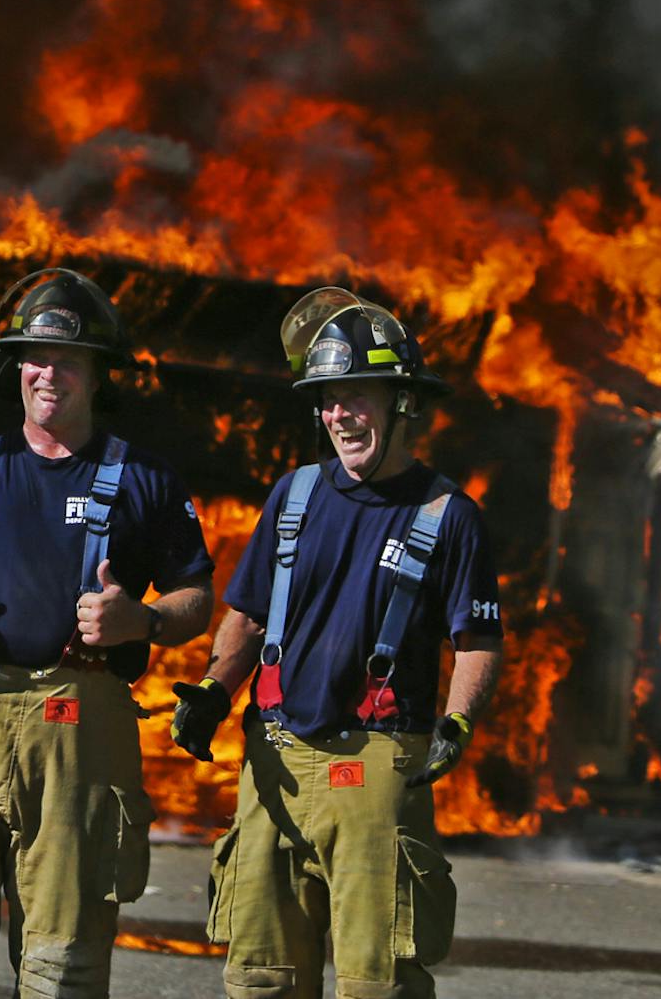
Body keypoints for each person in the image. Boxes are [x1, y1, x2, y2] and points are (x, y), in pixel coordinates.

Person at [0, 267, 215, 998]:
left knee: (62, 966)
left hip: (77, 724)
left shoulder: (143, 480)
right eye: (35, 357)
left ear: (99, 375)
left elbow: (198, 599)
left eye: (67, 360)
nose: (48, 373)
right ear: (15, 368)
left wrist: (144, 622)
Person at [171, 287, 506, 999]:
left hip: (377, 765)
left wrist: (459, 720)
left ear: (402, 403)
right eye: (328, 399)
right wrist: (212, 691)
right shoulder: (293, 496)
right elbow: (249, 615)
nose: (339, 415)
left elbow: (477, 640)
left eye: (357, 396)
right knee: (262, 979)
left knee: (375, 983)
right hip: (278, 762)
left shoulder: (449, 515)